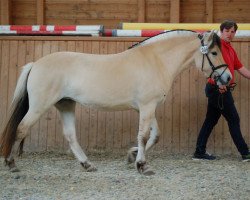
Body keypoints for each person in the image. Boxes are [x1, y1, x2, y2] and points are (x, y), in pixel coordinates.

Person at [193, 20, 250, 161]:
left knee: (210, 120)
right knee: (233, 119)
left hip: (219, 89)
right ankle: (245, 153)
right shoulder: (217, 47)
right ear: (221, 31)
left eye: (233, 32)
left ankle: (199, 152)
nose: (230, 34)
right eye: (227, 31)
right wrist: (220, 84)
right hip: (219, 89)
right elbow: (210, 65)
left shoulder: (230, 49)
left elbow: (240, 68)